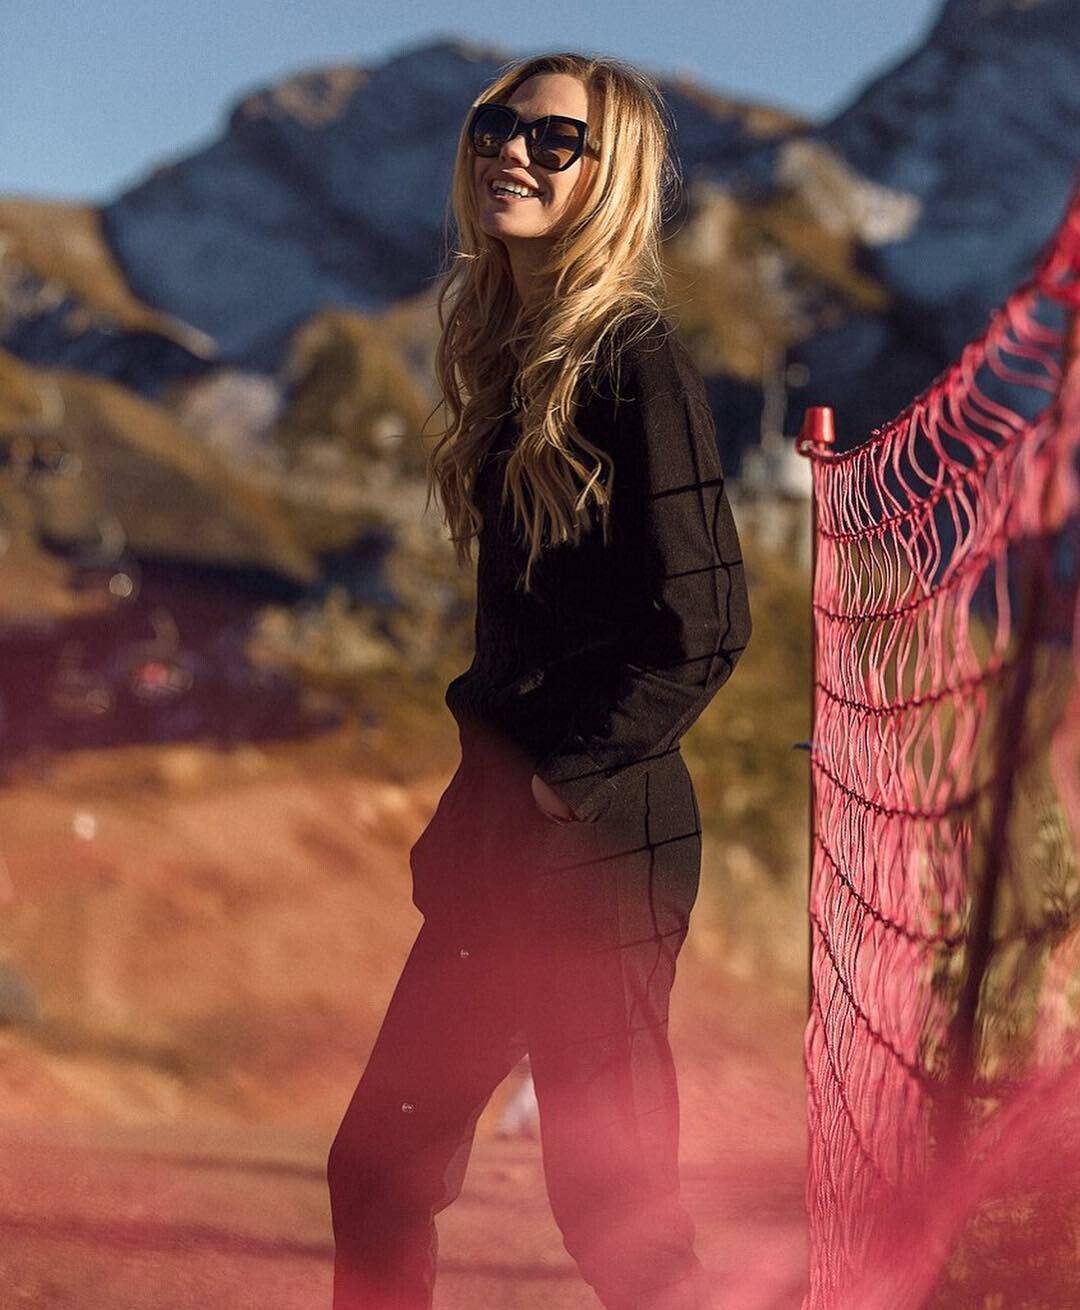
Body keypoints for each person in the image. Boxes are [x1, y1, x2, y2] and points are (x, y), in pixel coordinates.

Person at [326, 51, 752, 1310]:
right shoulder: (520, 358)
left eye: (554, 138)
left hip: (596, 843)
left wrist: (557, 782)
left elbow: (706, 622)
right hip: (505, 837)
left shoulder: (635, 357)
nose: (512, 149)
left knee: (616, 1216)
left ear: (608, 176)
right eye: (496, 125)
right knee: (378, 1170)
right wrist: (480, 808)